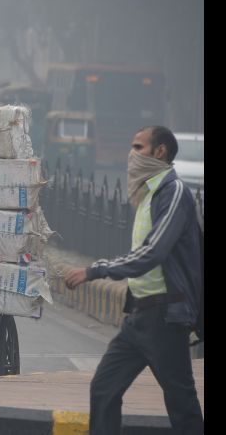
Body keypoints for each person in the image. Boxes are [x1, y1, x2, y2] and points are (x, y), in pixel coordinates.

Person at [64, 126, 203, 435]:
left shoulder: (173, 192)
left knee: (181, 404)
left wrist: (95, 270)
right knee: (104, 388)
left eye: (138, 147)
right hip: (139, 316)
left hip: (165, 317)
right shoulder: (148, 193)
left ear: (160, 151)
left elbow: (152, 253)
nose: (131, 154)